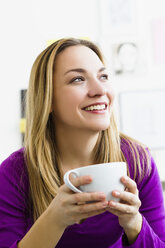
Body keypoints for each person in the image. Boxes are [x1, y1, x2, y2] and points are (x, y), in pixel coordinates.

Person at [0, 38, 165, 248]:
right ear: (48, 99)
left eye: (103, 76)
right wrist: (55, 219)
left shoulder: (138, 161)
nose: (99, 90)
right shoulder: (15, 173)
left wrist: (135, 224)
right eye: (78, 79)